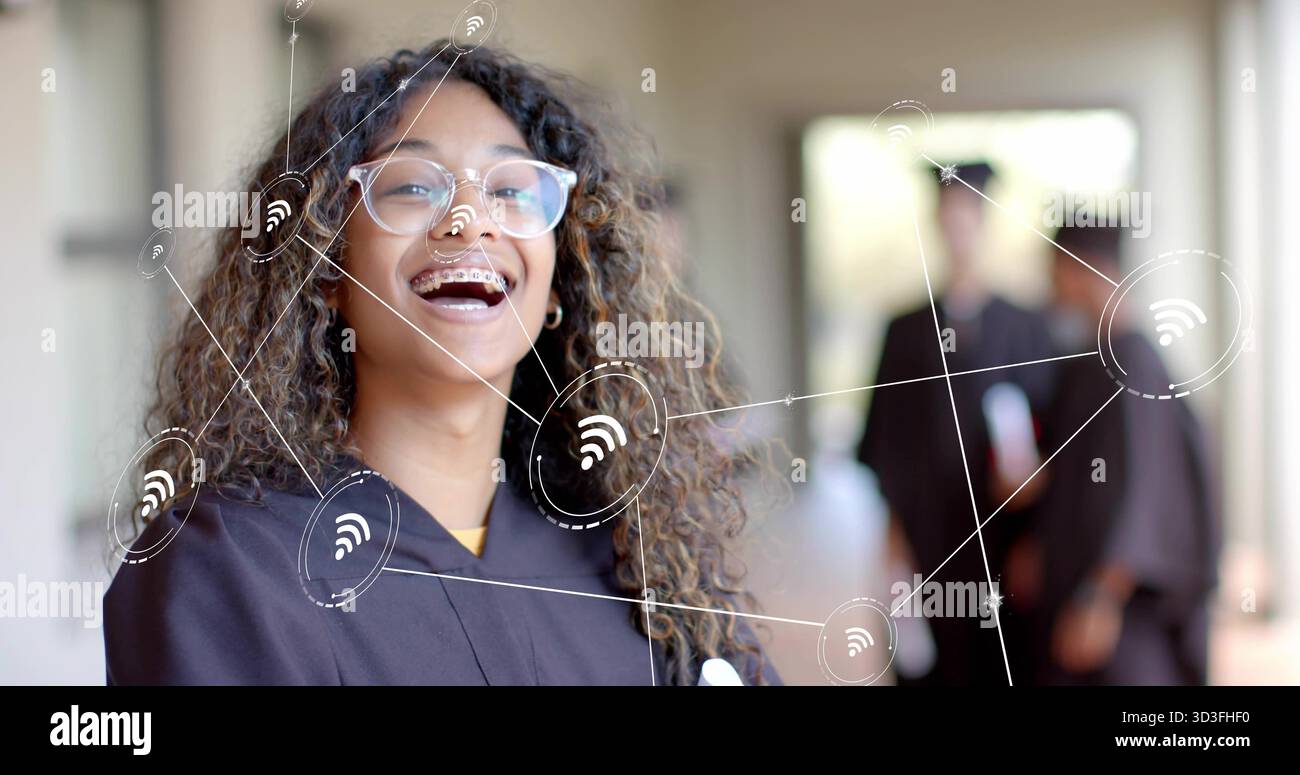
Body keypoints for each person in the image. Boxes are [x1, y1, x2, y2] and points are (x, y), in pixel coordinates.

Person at [103, 41, 778, 685]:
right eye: (411, 185)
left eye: (512, 190)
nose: (470, 219)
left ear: (558, 281)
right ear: (326, 270)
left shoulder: (637, 555)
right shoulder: (232, 569)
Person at [856, 162, 1057, 685]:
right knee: (930, 661)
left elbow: (1051, 440)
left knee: (1003, 658)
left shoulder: (1027, 326)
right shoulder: (903, 331)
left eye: (969, 214)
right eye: (948, 214)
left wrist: (1037, 533)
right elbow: (885, 444)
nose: (958, 226)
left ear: (986, 221)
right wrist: (894, 539)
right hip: (929, 533)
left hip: (1002, 533)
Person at [1016, 225, 1219, 685]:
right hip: (1077, 591)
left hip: (1122, 617)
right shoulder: (1092, 360)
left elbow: (1145, 495)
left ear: (1084, 269)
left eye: (1057, 268)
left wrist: (1101, 597)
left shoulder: (1134, 363)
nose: (1050, 284)